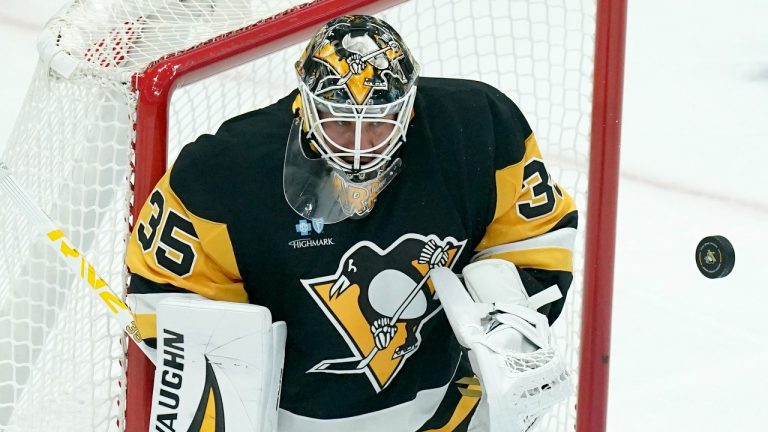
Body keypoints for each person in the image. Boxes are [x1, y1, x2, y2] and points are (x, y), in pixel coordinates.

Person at [126, 14, 577, 432]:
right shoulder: (224, 172)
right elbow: (164, 291)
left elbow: (534, 235)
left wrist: (510, 330)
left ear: (408, 106)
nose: (360, 144)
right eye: (340, 121)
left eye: (379, 121)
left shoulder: (476, 129)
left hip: (445, 414)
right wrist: (222, 380)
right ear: (305, 102)